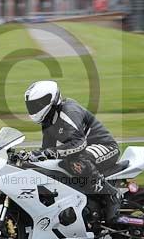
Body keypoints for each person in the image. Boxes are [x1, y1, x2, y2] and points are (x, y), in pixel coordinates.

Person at [21, 80, 122, 223]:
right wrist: (30, 158)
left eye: (37, 104)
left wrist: (49, 153)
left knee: (77, 163)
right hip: (83, 151)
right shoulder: (49, 120)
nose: (34, 108)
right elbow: (47, 151)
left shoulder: (69, 111)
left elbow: (79, 144)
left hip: (105, 147)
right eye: (31, 105)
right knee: (53, 168)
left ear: (51, 100)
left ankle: (112, 195)